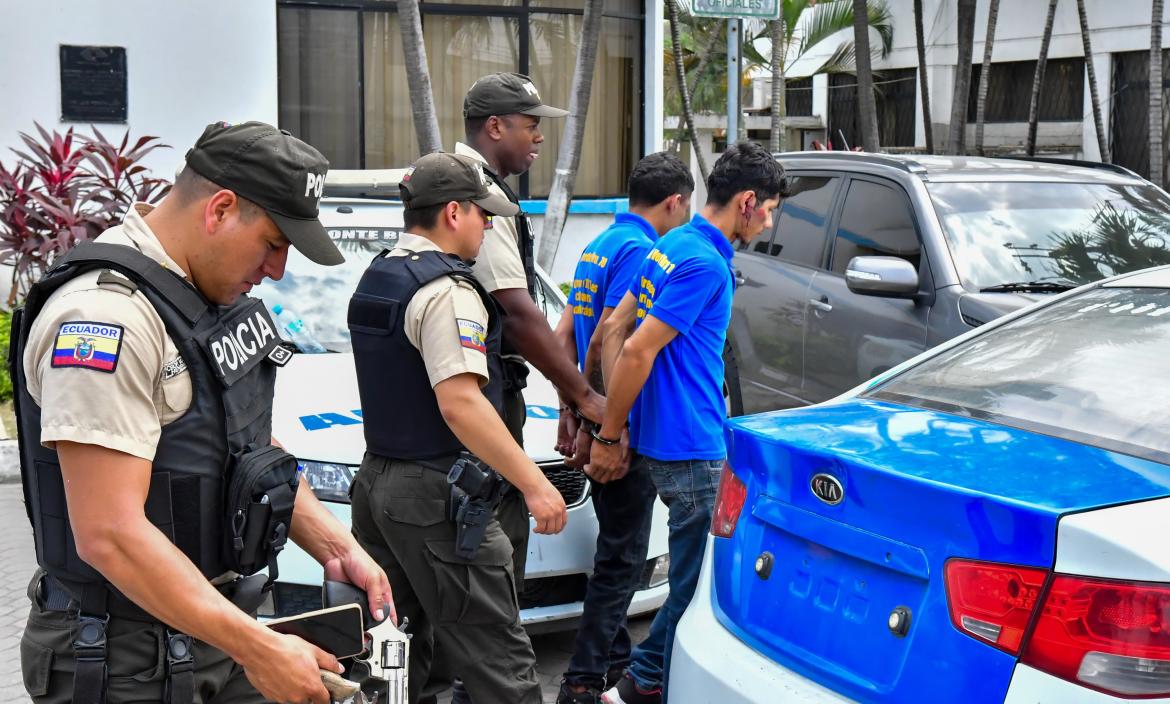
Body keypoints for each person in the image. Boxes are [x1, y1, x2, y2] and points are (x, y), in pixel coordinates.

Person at [14, 120, 395, 704]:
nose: (278, 269)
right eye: (274, 242)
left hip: (211, 627)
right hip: (121, 660)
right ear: (219, 209)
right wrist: (258, 649)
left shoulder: (205, 299)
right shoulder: (106, 318)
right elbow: (108, 533)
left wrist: (338, 547)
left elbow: (251, 451)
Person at [347, 151, 569, 704]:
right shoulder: (448, 291)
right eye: (482, 214)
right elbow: (461, 405)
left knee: (393, 655)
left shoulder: (381, 273)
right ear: (452, 213)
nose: (488, 225)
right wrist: (535, 485)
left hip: (378, 483)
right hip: (436, 495)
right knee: (500, 661)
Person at [593, 142, 787, 704]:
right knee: (697, 586)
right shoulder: (704, 262)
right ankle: (638, 685)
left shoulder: (672, 244)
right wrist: (609, 431)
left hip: (664, 442)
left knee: (691, 577)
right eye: (770, 208)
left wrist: (619, 420)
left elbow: (613, 328)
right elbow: (634, 350)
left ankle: (647, 680)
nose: (770, 221)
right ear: (747, 202)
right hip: (692, 448)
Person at [455, 72, 606, 597]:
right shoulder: (475, 193)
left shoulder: (476, 186)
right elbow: (516, 314)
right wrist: (586, 397)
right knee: (493, 578)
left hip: (489, 393)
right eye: (531, 125)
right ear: (495, 127)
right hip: (483, 398)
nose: (540, 137)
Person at [552, 153, 693, 704]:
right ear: (674, 202)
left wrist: (574, 410)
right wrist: (613, 428)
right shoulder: (641, 251)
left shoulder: (599, 245)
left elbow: (563, 333)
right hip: (620, 425)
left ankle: (612, 664)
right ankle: (583, 682)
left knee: (617, 552)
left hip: (598, 414)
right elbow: (606, 339)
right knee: (622, 561)